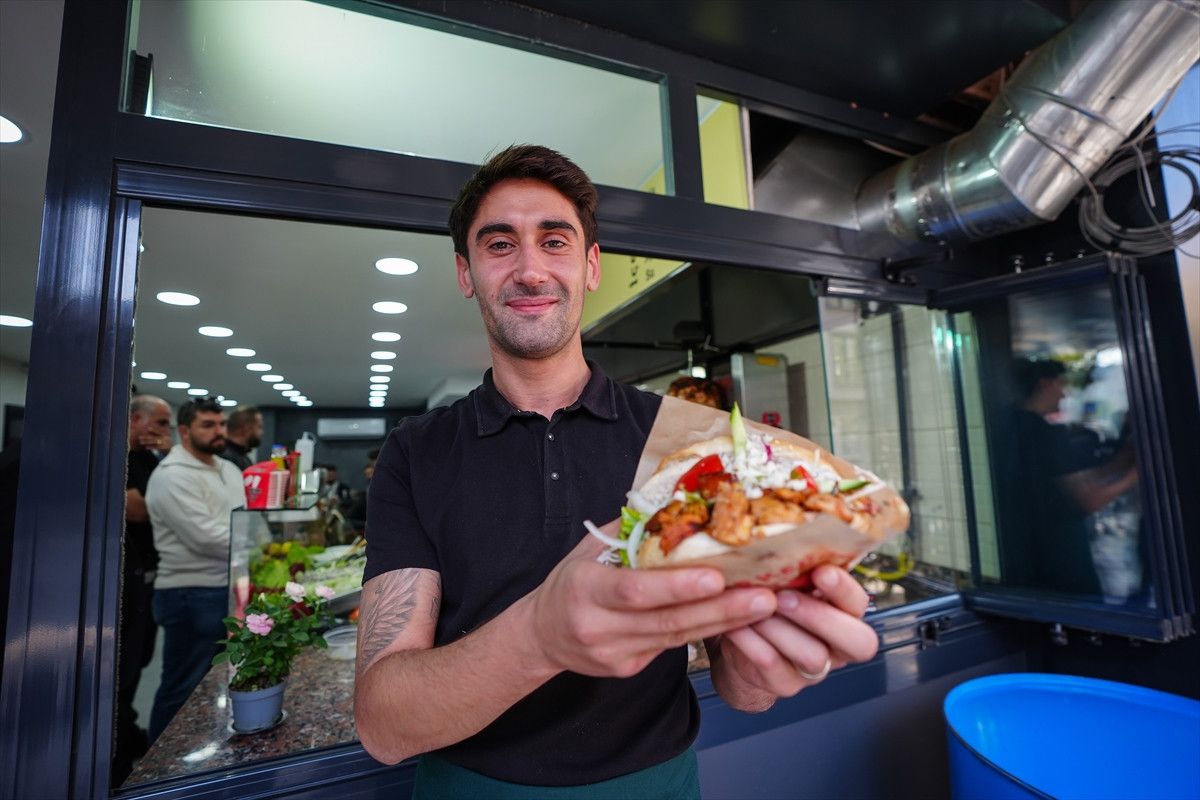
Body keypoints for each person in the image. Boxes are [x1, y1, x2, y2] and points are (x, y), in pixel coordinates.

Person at [353, 145, 878, 797]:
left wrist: (767, 658)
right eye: (499, 245)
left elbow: (742, 688)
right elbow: (384, 726)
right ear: (466, 272)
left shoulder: (687, 441)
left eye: (555, 241)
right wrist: (541, 633)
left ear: (591, 265)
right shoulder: (416, 451)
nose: (530, 270)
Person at [145, 396, 245, 741]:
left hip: (226, 587)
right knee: (183, 688)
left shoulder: (229, 469)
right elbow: (207, 538)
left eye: (221, 424)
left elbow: (246, 520)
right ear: (184, 431)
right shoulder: (170, 476)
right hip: (189, 593)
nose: (219, 431)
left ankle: (203, 753)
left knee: (216, 684)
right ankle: (160, 765)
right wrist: (257, 545)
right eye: (208, 425)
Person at [999, 359, 1139, 596]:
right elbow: (1085, 499)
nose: (1064, 394)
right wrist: (1134, 476)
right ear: (1045, 385)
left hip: (1029, 559)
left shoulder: (1010, 426)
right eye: (1061, 385)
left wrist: (1121, 463)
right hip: (1061, 560)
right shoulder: (1044, 433)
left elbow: (1071, 479)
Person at [112, 393, 172, 783]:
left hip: (149, 576)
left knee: (139, 660)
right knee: (119, 669)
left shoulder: (152, 461)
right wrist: (161, 503)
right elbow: (137, 509)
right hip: (120, 581)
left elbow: (155, 504)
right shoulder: (117, 459)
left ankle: (129, 732)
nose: (165, 431)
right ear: (135, 419)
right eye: (160, 423)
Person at [219, 405, 262, 471]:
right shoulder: (226, 458)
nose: (261, 432)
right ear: (247, 428)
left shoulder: (242, 456)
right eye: (259, 427)